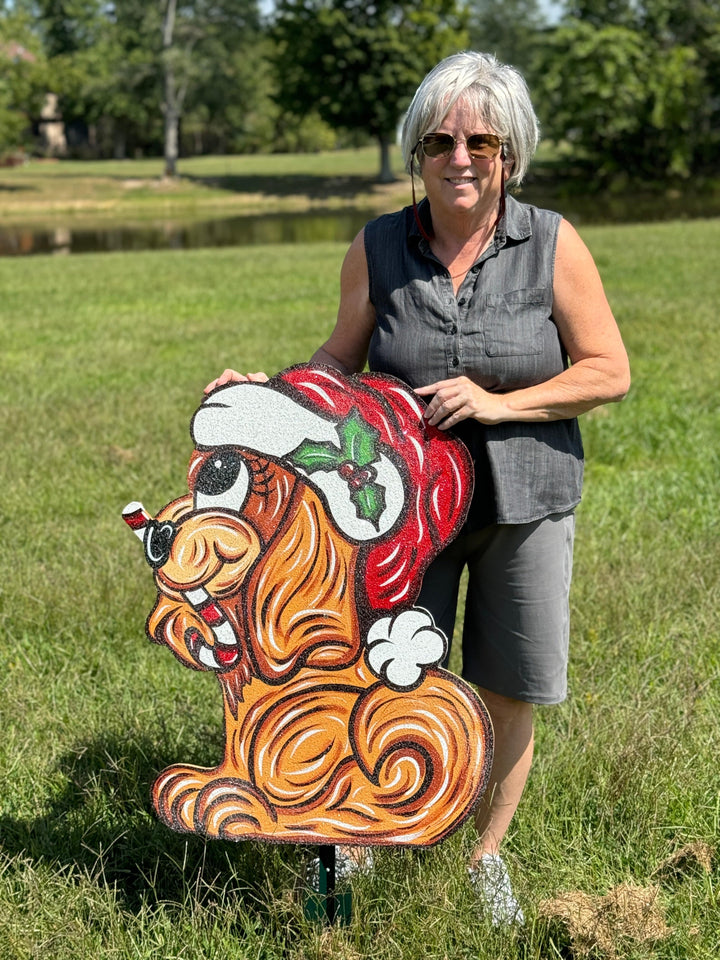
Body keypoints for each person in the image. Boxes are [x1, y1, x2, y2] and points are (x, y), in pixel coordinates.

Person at [205, 51, 630, 925]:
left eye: (480, 139)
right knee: (391, 672)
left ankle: (485, 857)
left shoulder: (550, 241)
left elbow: (608, 370)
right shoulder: (378, 244)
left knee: (511, 684)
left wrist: (500, 402)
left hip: (527, 501)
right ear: (417, 152)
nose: (460, 156)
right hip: (399, 510)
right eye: (440, 139)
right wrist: (269, 397)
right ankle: (367, 834)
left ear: (509, 152)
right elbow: (339, 356)